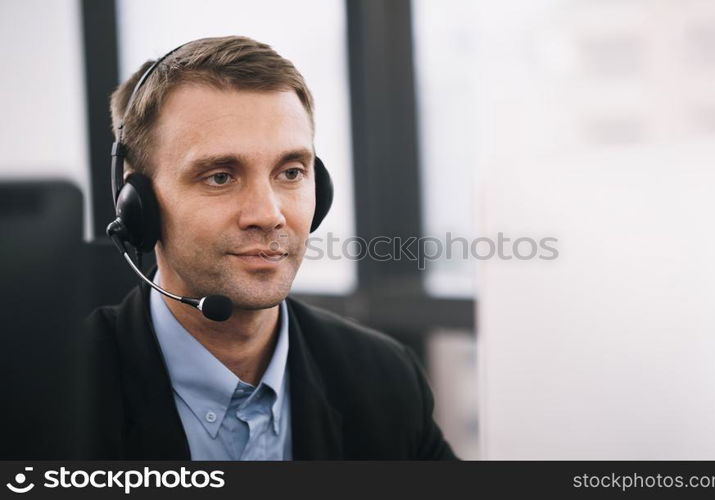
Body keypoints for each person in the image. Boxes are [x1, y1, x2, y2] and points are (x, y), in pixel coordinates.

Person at [83, 35, 455, 460]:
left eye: (291, 172)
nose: (268, 213)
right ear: (138, 206)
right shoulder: (45, 394)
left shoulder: (385, 379)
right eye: (220, 176)